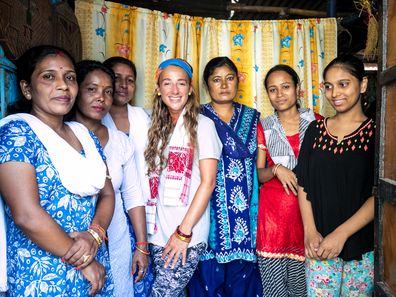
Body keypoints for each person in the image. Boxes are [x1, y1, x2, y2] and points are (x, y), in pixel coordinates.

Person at [0, 45, 115, 296]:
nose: (63, 85)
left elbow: (107, 194)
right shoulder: (17, 134)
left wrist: (94, 235)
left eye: (70, 77)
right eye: (49, 76)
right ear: (27, 89)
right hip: (42, 272)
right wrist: (84, 261)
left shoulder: (85, 136)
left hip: (93, 262)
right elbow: (26, 215)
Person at [296, 55, 375, 296]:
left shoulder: (377, 133)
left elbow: (379, 194)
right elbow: (303, 184)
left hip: (361, 247)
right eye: (328, 86)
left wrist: (341, 234)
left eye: (343, 84)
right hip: (319, 245)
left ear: (362, 85)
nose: (334, 93)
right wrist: (310, 231)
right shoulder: (315, 130)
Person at [71, 60, 150, 296]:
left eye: (107, 92)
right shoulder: (59, 135)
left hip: (116, 236)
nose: (101, 98)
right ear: (76, 90)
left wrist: (142, 247)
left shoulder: (120, 142)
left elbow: (133, 195)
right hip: (72, 240)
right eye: (92, 89)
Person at [144, 58, 222, 296]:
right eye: (167, 83)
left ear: (190, 89)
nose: (174, 90)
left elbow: (208, 182)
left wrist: (183, 232)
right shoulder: (154, 126)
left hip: (185, 232)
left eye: (181, 83)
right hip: (157, 231)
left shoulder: (203, 125)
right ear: (158, 89)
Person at [187, 57, 262, 297]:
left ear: (238, 81)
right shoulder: (196, 117)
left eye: (229, 78)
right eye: (216, 80)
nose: (224, 85)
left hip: (244, 220)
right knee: (207, 284)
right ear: (206, 84)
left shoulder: (253, 118)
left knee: (243, 287)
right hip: (208, 214)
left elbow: (260, 166)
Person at [256, 64, 321, 296]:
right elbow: (258, 173)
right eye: (273, 90)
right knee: (275, 292)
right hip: (272, 222)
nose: (280, 94)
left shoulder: (317, 123)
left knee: (303, 290)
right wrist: (276, 170)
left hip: (308, 221)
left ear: (298, 89)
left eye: (285, 87)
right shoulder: (264, 126)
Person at [102, 57, 154, 295]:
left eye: (130, 80)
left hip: (143, 209)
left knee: (140, 276)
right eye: (117, 78)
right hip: (106, 215)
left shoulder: (145, 117)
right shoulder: (93, 118)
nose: (123, 85)